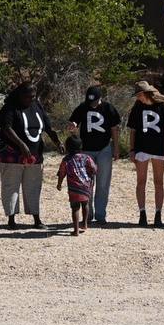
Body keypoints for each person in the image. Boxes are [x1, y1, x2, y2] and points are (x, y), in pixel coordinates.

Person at [0, 83, 62, 229]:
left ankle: (36, 219)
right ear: (20, 95)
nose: (30, 99)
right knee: (11, 186)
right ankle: (11, 220)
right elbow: (6, 128)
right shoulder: (10, 107)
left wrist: (57, 142)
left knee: (33, 186)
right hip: (12, 154)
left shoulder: (37, 106)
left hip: (35, 153)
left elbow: (47, 127)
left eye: (33, 96)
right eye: (27, 97)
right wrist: (21, 145)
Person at [67, 85, 121, 225]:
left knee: (103, 183)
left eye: (95, 101)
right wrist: (72, 125)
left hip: (104, 149)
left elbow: (114, 129)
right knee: (87, 183)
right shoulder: (83, 107)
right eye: (90, 101)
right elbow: (73, 121)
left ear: (100, 98)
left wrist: (116, 148)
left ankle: (101, 215)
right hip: (86, 151)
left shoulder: (108, 108)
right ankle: (88, 214)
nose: (92, 104)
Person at [127, 81, 164, 227]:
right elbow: (133, 131)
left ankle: (158, 214)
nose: (138, 97)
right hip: (142, 148)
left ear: (145, 93)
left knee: (158, 182)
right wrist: (132, 150)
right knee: (141, 181)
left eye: (139, 94)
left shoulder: (162, 107)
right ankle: (142, 213)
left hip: (159, 149)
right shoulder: (137, 108)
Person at [56, 136, 97, 236]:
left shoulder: (66, 159)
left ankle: (76, 230)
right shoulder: (86, 157)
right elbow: (94, 169)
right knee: (85, 204)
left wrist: (59, 184)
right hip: (86, 186)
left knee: (75, 208)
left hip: (74, 188)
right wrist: (91, 178)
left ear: (67, 147)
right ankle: (85, 224)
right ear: (81, 146)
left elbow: (62, 173)